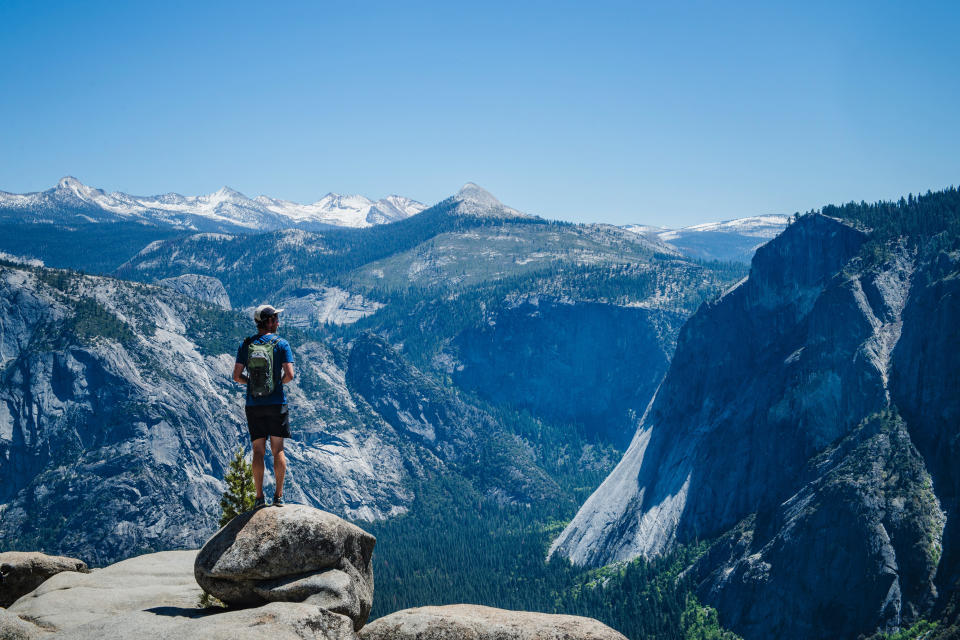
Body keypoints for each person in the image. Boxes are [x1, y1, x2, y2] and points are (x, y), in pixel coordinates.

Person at [233, 304, 295, 508]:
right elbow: (290, 375)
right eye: (275, 318)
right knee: (278, 449)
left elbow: (236, 376)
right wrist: (277, 384)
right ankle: (278, 497)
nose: (278, 321)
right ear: (268, 322)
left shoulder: (246, 344)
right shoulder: (281, 344)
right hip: (277, 403)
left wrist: (251, 384)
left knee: (258, 451)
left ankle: (259, 498)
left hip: (254, 405)